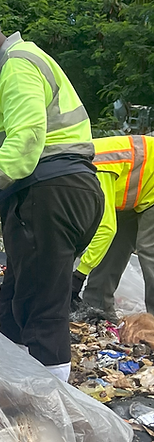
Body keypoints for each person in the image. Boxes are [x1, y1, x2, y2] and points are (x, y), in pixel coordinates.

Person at [0, 3, 102, 382]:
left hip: (51, 190)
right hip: (52, 191)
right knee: (14, 304)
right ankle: (11, 386)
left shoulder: (18, 64)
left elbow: (26, 141)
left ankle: (47, 412)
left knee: (41, 308)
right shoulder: (11, 68)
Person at [72, 135, 154, 318]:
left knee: (149, 249)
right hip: (134, 187)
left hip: (149, 183)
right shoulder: (77, 163)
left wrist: (78, 275)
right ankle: (96, 306)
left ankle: (151, 325)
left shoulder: (94, 169)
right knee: (114, 244)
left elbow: (105, 228)